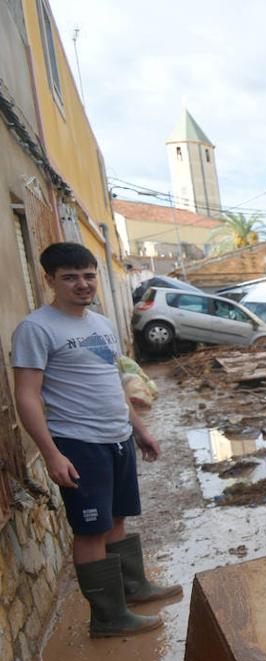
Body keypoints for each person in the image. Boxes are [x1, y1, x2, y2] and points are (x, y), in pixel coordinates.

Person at [13, 243, 179, 638]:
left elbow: (113, 384)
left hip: (116, 438)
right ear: (50, 280)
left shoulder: (101, 324)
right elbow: (26, 395)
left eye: (88, 275)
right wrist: (50, 453)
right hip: (78, 442)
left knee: (117, 517)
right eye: (70, 277)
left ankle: (133, 589)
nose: (82, 284)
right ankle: (108, 617)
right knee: (91, 531)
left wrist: (139, 430)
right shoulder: (36, 328)